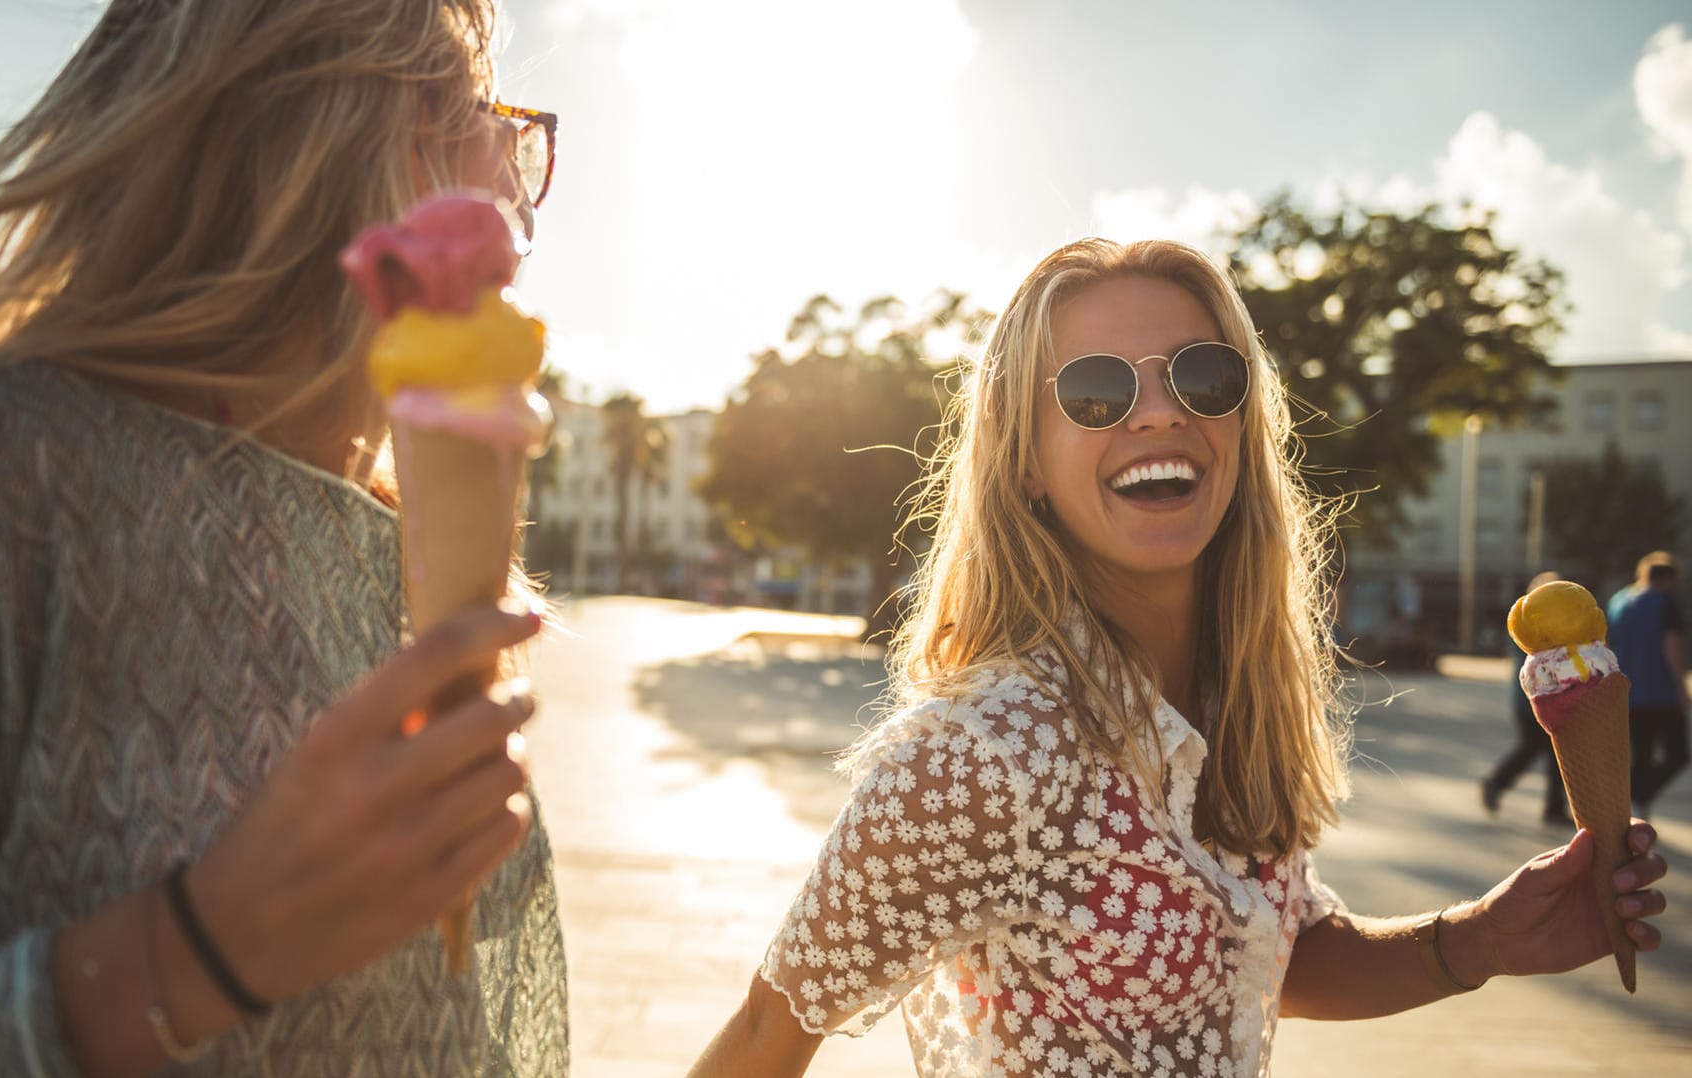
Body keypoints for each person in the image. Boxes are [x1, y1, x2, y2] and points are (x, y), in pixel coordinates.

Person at [0, 1, 569, 1074]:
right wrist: (194, 952)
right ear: (325, 138)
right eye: (490, 119)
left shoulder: (394, 527)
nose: (521, 191)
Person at [688, 239, 1668, 1078]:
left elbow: (1267, 953)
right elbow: (768, 1030)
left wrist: (1482, 937)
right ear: (1025, 457)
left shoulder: (1228, 701)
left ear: (1241, 421)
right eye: (1096, 390)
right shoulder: (981, 756)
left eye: (1201, 376)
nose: (1156, 413)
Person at [1482, 571, 1572, 827]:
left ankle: (1551, 806)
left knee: (1548, 752)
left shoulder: (1527, 621)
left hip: (1533, 701)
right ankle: (1498, 783)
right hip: (1537, 700)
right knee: (1539, 750)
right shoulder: (1532, 626)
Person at [1608, 551, 1689, 815]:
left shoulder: (1618, 602)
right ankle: (1638, 796)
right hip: (1660, 692)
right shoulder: (1664, 603)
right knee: (1678, 754)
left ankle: (1631, 804)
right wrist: (1681, 686)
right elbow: (1671, 646)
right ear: (1667, 579)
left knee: (1641, 753)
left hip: (1626, 693)